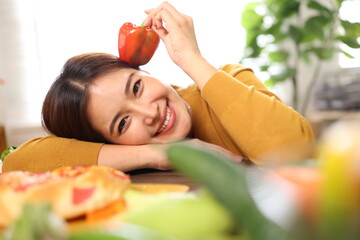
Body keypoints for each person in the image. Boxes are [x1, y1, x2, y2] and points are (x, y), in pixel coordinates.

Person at [2, 2, 314, 173]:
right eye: (123, 123)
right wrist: (156, 155)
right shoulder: (132, 154)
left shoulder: (230, 80)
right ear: (110, 144)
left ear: (146, 70)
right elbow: (17, 163)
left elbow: (297, 151)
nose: (148, 113)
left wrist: (190, 58)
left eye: (136, 87)